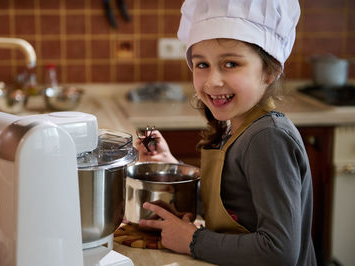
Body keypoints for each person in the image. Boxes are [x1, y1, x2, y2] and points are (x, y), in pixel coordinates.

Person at [135, 0, 317, 265]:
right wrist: (172, 168)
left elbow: (279, 251)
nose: (212, 81)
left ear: (270, 71)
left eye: (231, 64)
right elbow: (234, 207)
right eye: (201, 65)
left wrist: (193, 241)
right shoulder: (239, 126)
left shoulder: (267, 137)